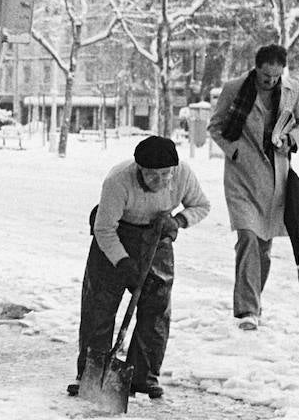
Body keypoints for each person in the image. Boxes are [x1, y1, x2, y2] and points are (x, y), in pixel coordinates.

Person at [67, 136, 209, 401]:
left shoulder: (182, 175)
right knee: (100, 306)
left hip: (157, 238)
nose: (160, 181)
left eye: (165, 174)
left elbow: (201, 205)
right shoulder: (118, 181)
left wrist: (178, 220)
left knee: (156, 308)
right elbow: (103, 229)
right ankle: (91, 373)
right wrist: (122, 262)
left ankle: (143, 376)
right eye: (152, 176)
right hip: (115, 235)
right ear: (139, 169)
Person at [208, 44, 299, 331]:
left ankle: (253, 299)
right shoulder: (234, 88)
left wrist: (291, 139)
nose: (270, 82)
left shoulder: (292, 90)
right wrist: (235, 151)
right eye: (265, 76)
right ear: (256, 68)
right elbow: (215, 126)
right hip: (242, 176)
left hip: (275, 178)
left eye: (275, 76)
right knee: (247, 237)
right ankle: (246, 310)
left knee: (263, 247)